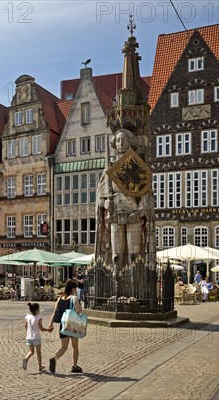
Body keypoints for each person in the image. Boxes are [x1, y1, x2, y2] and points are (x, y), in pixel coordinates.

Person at [95, 129, 156, 278]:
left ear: (130, 142)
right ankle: (116, 286)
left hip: (133, 213)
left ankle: (135, 286)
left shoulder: (136, 166)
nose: (120, 143)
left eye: (123, 140)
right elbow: (100, 196)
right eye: (117, 140)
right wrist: (104, 204)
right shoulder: (109, 170)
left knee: (134, 255)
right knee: (116, 255)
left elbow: (145, 195)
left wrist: (140, 212)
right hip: (115, 214)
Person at [47, 280, 83, 373]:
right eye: (76, 289)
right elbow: (79, 311)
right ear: (73, 289)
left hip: (63, 325)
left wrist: (50, 324)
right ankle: (75, 366)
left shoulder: (60, 298)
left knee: (63, 347)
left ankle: (54, 358)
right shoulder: (74, 298)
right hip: (73, 324)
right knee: (75, 346)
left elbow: (55, 312)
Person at [22, 302, 52, 372]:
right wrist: (48, 329)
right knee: (38, 352)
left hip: (29, 336)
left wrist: (28, 332)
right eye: (39, 309)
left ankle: (26, 359)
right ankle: (40, 366)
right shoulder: (38, 318)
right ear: (36, 310)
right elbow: (41, 328)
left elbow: (26, 326)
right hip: (36, 337)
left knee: (31, 351)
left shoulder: (28, 317)